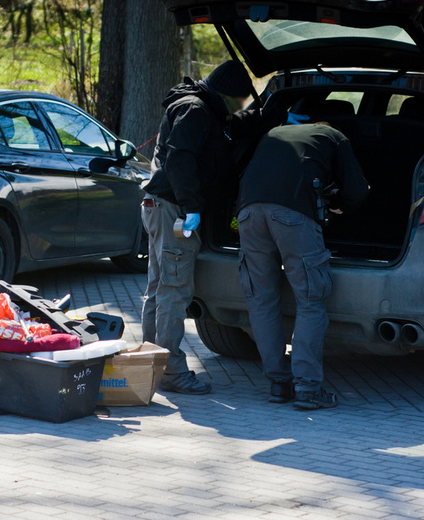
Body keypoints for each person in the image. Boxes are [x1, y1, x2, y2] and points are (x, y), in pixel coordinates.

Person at [141, 60, 285, 395]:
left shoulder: (202, 107)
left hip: (160, 206)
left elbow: (233, 127)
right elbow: (180, 160)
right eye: (236, 100)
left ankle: (151, 363)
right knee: (173, 290)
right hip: (174, 209)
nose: (237, 107)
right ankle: (172, 371)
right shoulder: (195, 111)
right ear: (223, 94)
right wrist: (192, 207)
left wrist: (271, 116)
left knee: (159, 287)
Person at [236, 121, 369, 409]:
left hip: (247, 212)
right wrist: (339, 206)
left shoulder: (272, 131)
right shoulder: (335, 135)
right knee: (310, 299)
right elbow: (357, 190)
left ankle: (278, 384)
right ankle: (308, 388)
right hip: (293, 216)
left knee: (261, 300)